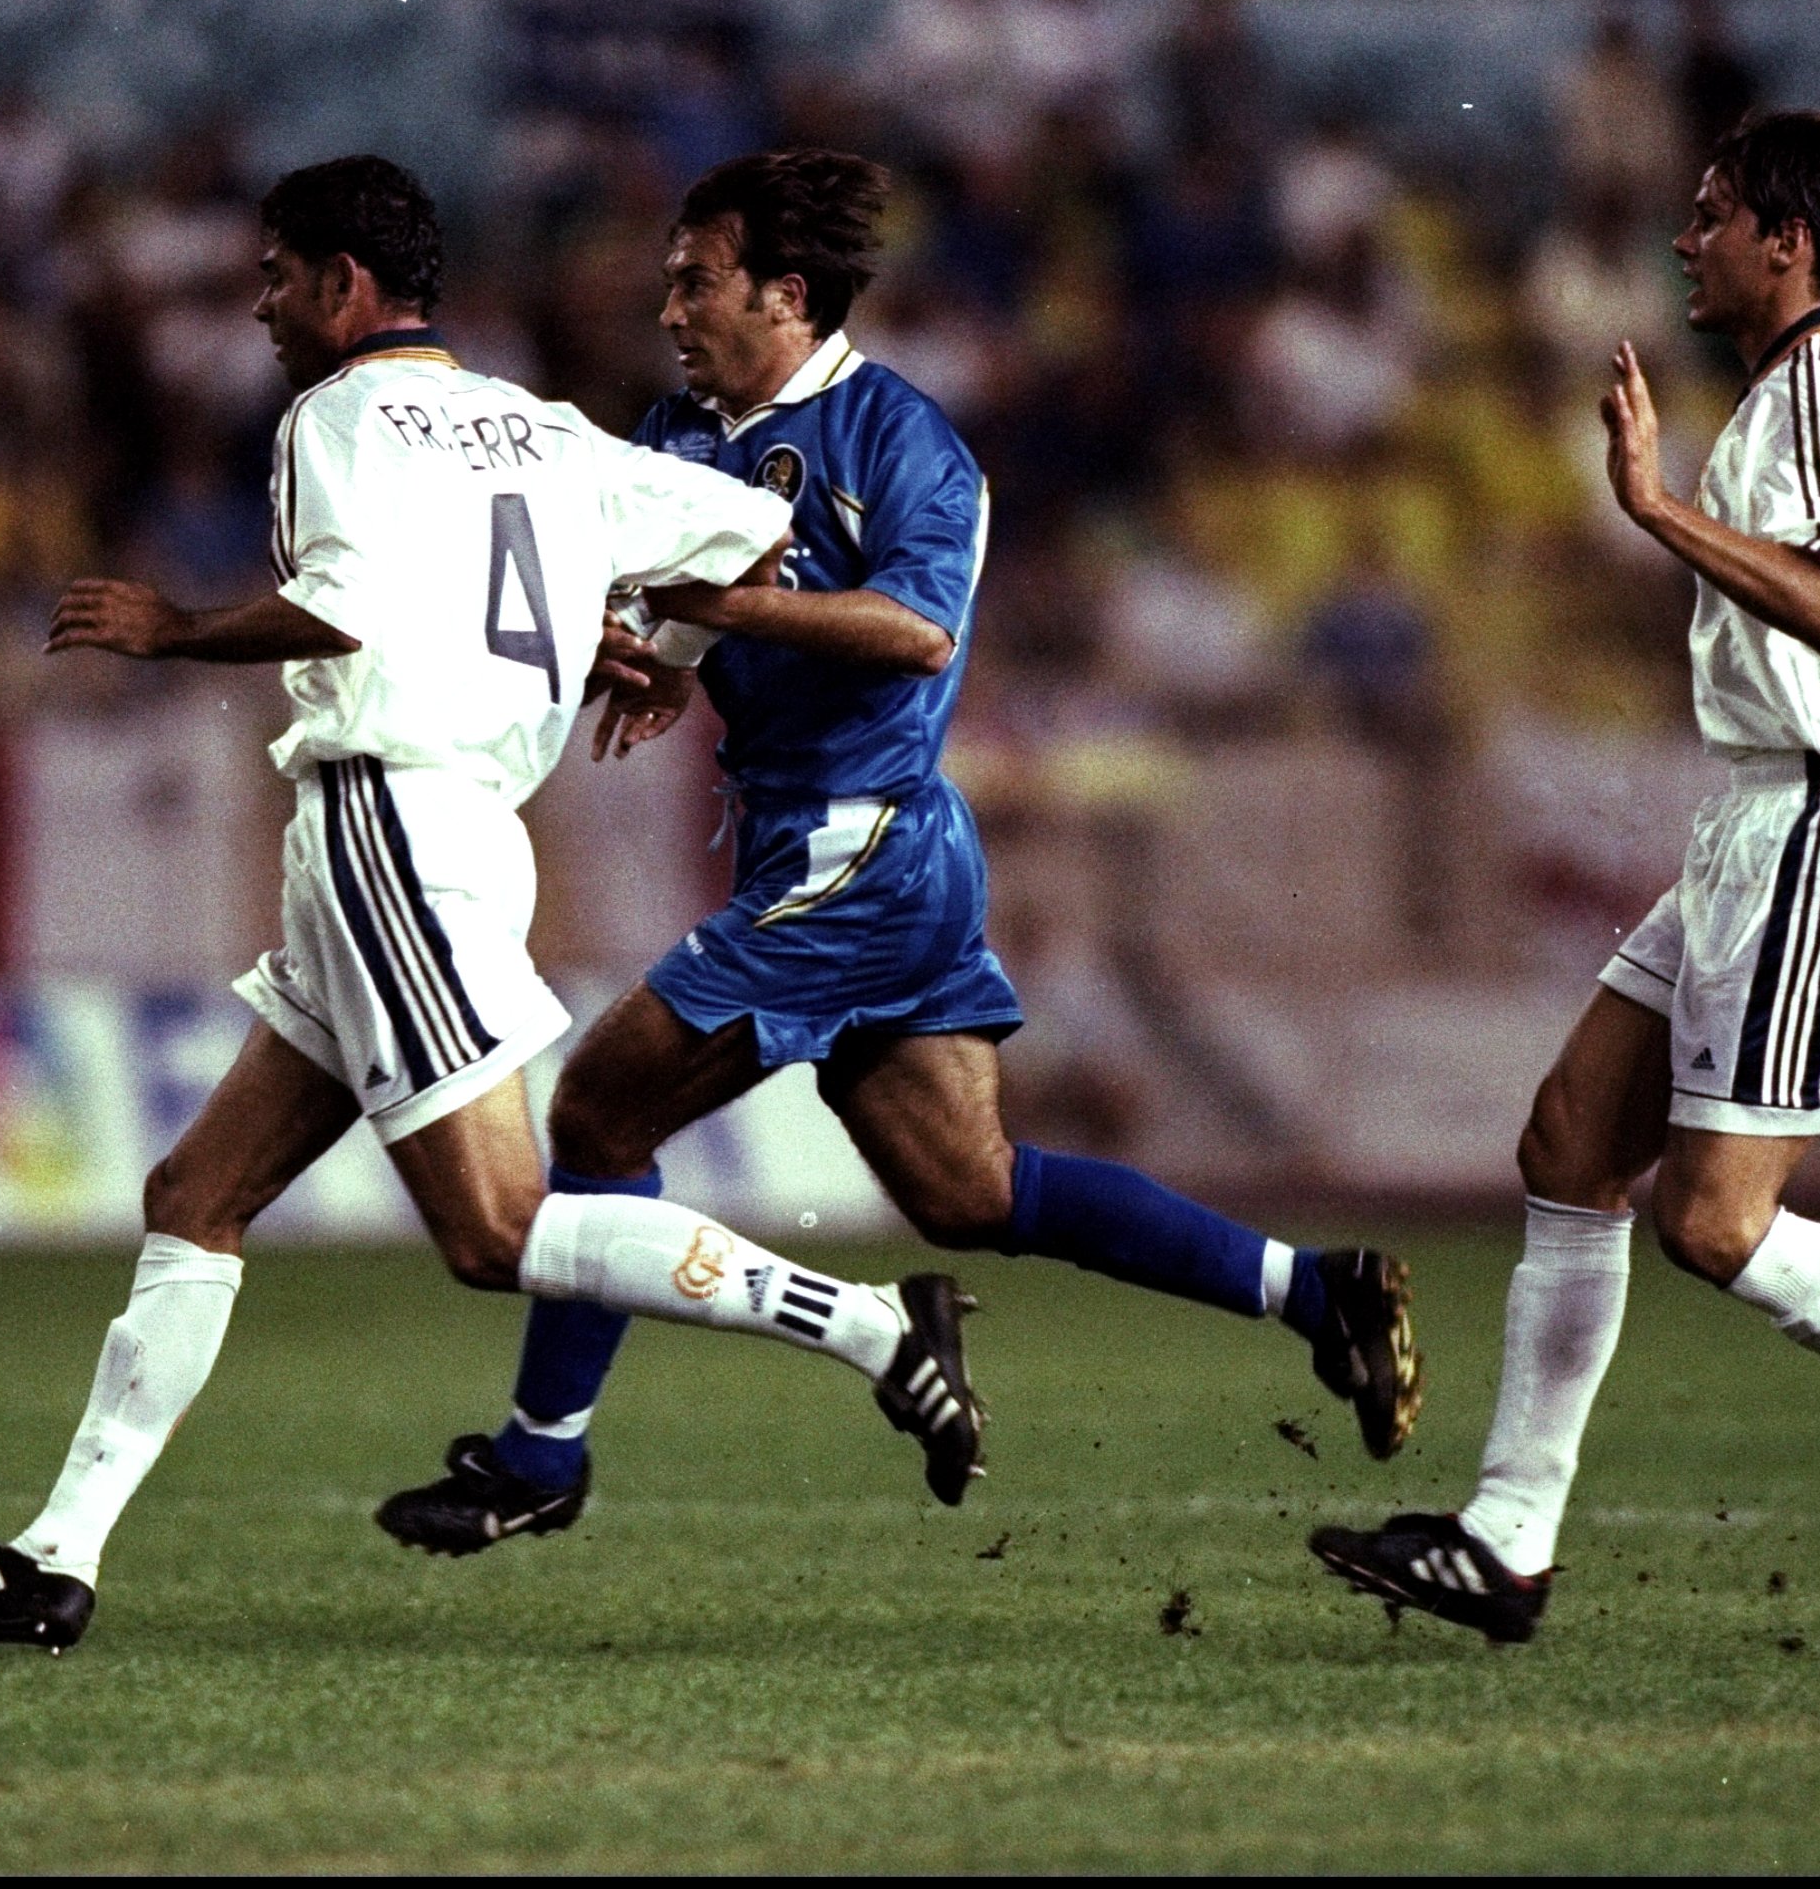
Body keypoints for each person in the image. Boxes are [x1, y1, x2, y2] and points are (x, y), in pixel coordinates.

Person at [0, 156, 987, 1654]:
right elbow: (745, 532)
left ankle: (871, 1327)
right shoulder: (536, 423)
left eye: (275, 277)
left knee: (495, 1231)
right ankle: (55, 1559)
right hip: (413, 832)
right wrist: (592, 647)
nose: (261, 309)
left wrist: (173, 626)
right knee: (196, 1199)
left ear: (344, 285)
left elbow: (348, 603)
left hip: (395, 822)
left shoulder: (330, 418)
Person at [374, 150, 1422, 1559]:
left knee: (597, 1119)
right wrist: (668, 658)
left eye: (699, 282)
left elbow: (919, 631)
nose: (670, 307)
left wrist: (723, 615)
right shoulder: (675, 433)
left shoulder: (908, 443)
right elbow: (676, 599)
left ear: (785, 294)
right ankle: (1322, 1294)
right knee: (968, 1190)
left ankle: (538, 1458)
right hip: (847, 857)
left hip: (858, 848)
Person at [1307, 111, 1820, 1644]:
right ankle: (1507, 1545)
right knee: (1569, 1142)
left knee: (1716, 1226)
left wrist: (1661, 510)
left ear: (1785, 243)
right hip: (1764, 813)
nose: (1688, 240)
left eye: (1713, 215)